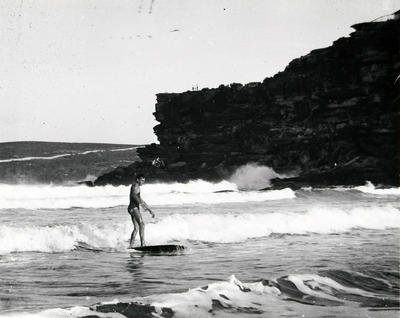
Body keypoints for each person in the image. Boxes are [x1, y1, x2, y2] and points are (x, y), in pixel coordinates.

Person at [128, 174, 155, 248]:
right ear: (137, 179)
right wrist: (142, 205)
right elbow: (134, 196)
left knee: (136, 228)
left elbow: (140, 199)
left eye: (144, 181)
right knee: (142, 225)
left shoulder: (136, 187)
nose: (143, 182)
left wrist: (150, 210)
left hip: (131, 208)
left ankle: (130, 246)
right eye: (142, 180)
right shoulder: (135, 186)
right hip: (134, 208)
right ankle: (143, 244)